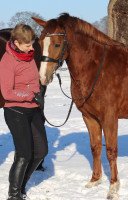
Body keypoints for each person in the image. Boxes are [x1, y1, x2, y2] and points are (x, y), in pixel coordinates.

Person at [0, 24, 48, 200]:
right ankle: (14, 195)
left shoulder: (29, 56)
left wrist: (40, 88)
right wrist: (30, 95)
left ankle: (21, 185)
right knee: (24, 153)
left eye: (32, 44)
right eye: (27, 45)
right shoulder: (7, 61)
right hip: (15, 111)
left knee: (41, 150)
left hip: (33, 109)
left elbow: (34, 81)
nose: (31, 48)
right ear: (17, 43)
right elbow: (7, 93)